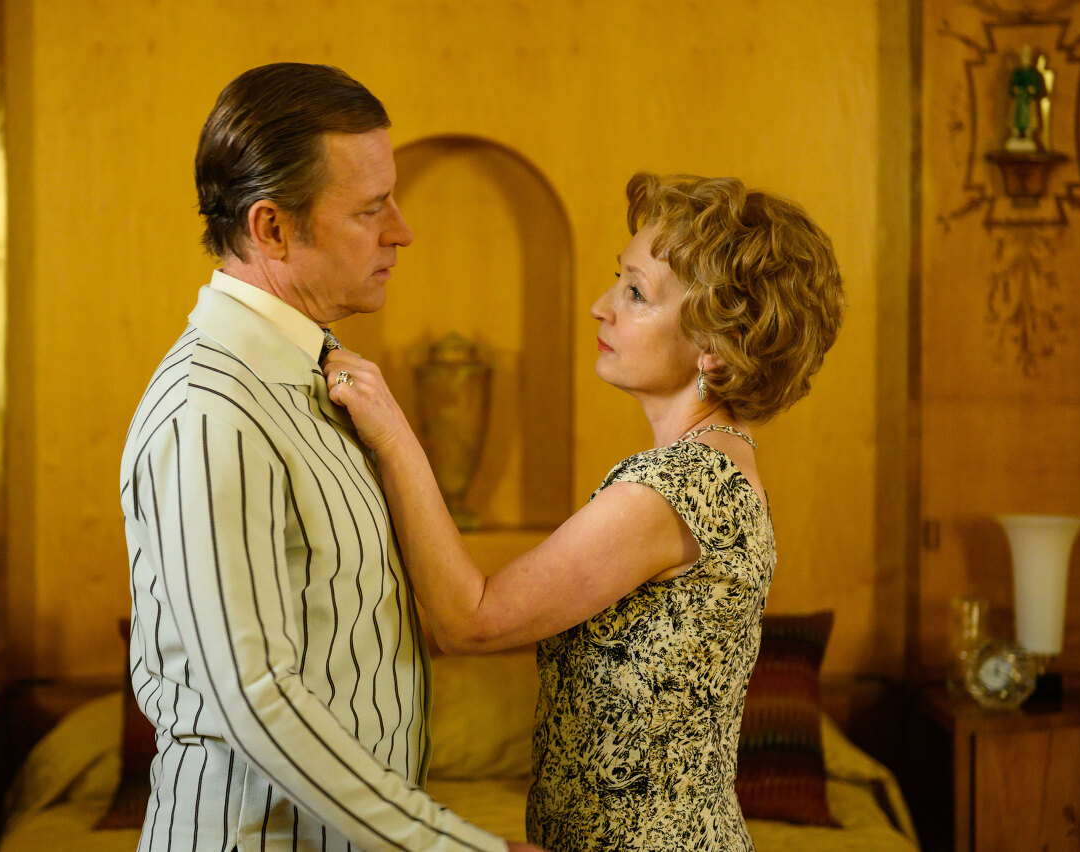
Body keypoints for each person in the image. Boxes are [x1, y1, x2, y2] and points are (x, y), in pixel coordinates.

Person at [325, 172, 845, 851]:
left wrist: (394, 435)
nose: (602, 307)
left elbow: (469, 621)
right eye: (616, 281)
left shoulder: (675, 489)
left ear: (716, 348)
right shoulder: (720, 467)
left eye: (636, 293)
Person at [119, 63, 542, 852]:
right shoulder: (212, 411)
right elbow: (256, 698)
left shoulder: (320, 379)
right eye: (372, 209)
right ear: (272, 228)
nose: (401, 232)